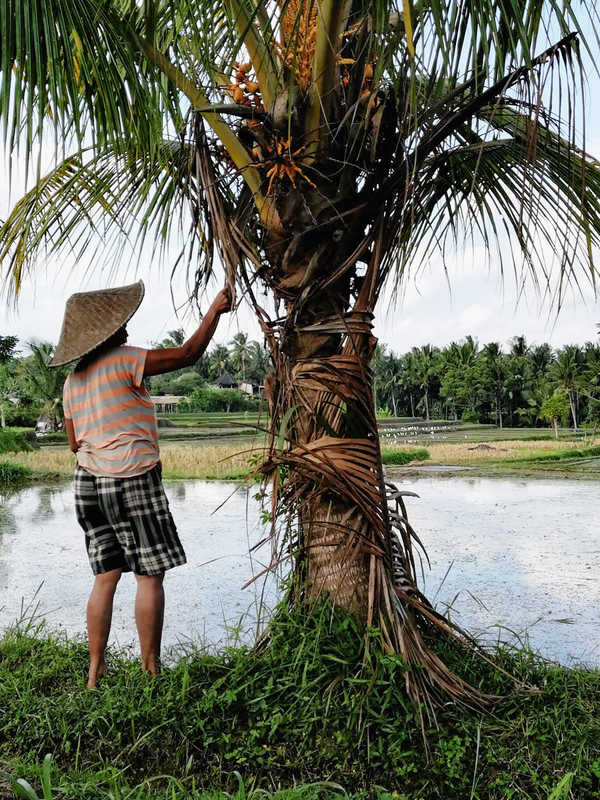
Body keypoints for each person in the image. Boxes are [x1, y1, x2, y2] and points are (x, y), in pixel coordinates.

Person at [52, 280, 232, 687]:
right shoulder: (124, 360)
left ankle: (95, 672)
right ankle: (150, 672)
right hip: (131, 476)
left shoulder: (72, 382)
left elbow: (74, 443)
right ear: (105, 334)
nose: (126, 329)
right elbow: (187, 354)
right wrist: (215, 311)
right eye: (119, 324)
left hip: (88, 483)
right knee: (149, 576)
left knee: (105, 576)